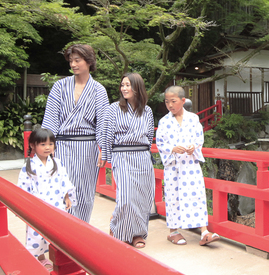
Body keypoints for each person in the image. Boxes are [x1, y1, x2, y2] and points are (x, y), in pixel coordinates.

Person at [41, 43, 109, 223]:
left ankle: (81, 231)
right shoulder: (59, 86)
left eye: (77, 60)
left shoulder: (98, 90)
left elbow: (102, 122)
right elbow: (50, 118)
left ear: (88, 61)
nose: (73, 64)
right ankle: (61, 231)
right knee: (61, 188)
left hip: (88, 148)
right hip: (62, 146)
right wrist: (48, 145)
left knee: (85, 191)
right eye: (71, 61)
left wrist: (103, 148)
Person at [156, 85, 220, 246]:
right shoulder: (164, 122)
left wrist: (194, 147)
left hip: (190, 165)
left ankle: (204, 231)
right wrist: (172, 149)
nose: (170, 105)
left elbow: (199, 138)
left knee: (197, 195)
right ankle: (173, 232)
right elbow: (160, 143)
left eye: (173, 101)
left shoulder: (193, 118)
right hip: (173, 167)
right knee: (173, 197)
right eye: (167, 102)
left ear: (183, 101)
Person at [102, 72, 155, 248]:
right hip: (122, 155)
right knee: (126, 197)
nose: (124, 88)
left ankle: (138, 233)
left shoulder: (147, 110)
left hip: (142, 156)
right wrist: (108, 159)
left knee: (143, 197)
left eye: (128, 85)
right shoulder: (113, 108)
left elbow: (150, 135)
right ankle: (121, 232)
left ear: (137, 87)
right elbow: (107, 135)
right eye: (122, 85)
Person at [17, 128, 76, 270]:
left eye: (50, 144)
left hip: (56, 202)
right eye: (42, 144)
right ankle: (40, 257)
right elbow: (23, 187)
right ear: (33, 145)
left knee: (59, 231)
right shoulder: (29, 166)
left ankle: (59, 257)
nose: (47, 147)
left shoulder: (57, 162)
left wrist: (67, 196)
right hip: (37, 204)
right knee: (36, 233)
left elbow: (64, 180)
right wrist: (24, 206)